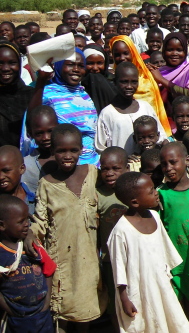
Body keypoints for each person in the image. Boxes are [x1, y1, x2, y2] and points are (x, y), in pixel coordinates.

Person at [29, 124, 107, 328]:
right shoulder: (47, 184)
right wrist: (30, 235)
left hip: (89, 257)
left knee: (86, 308)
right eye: (61, 151)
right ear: (53, 152)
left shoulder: (92, 173)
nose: (67, 156)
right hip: (63, 257)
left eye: (73, 150)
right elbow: (40, 220)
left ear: (82, 150)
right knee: (62, 311)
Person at [108, 172, 189, 333]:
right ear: (135, 201)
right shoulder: (121, 231)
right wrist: (124, 299)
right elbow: (118, 269)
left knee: (170, 321)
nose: (156, 193)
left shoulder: (155, 217)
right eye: (150, 191)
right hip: (137, 291)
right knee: (143, 324)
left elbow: (165, 252)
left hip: (160, 284)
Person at [158, 142, 189, 326]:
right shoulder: (160, 194)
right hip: (172, 261)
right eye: (164, 164)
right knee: (176, 304)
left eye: (173, 162)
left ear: (187, 160)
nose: (168, 168)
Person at [29, 47, 100, 165]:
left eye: (81, 66)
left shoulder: (83, 93)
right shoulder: (48, 94)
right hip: (64, 163)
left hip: (92, 161)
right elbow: (32, 118)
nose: (76, 69)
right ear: (58, 66)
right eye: (70, 65)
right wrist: (41, 80)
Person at [0, 195, 56, 333]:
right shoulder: (2, 253)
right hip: (16, 318)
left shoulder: (31, 245)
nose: (27, 224)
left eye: (27, 219)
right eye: (21, 221)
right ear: (2, 225)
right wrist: (10, 310)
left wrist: (46, 303)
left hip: (42, 314)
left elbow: (49, 269)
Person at [96, 62, 168, 154]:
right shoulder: (107, 113)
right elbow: (100, 147)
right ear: (115, 82)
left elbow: (161, 136)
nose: (129, 86)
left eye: (134, 82)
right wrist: (122, 157)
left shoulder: (145, 107)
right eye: (124, 82)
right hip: (122, 166)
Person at [110, 35, 171, 134]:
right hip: (126, 131)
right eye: (117, 55)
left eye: (126, 53)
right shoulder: (111, 80)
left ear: (133, 52)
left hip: (152, 130)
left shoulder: (148, 73)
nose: (122, 58)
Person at [96, 147, 129, 329]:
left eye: (115, 169)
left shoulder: (134, 190)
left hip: (134, 258)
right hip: (109, 259)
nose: (109, 174)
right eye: (105, 169)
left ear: (126, 168)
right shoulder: (98, 195)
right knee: (115, 301)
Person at [152, 32, 189, 119]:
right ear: (163, 51)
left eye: (179, 50)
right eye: (170, 50)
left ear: (185, 51)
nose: (174, 53)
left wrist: (161, 80)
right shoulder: (159, 71)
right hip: (164, 121)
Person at [0, 42, 34, 148]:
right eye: (0, 63)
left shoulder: (31, 95)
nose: (5, 68)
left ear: (19, 65)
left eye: (12, 63)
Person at [22, 106, 58, 194]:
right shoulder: (26, 166)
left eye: (50, 131)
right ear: (31, 134)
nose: (46, 137)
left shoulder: (70, 157)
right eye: (39, 133)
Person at [81, 44, 118, 113]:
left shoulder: (114, 81)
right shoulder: (77, 85)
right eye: (90, 63)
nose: (95, 68)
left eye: (99, 63)